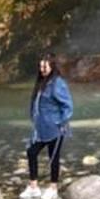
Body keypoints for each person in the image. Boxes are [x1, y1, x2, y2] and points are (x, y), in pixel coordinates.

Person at [26, 53, 72, 192]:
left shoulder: (57, 83)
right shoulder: (42, 82)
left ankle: (53, 188)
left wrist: (60, 122)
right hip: (41, 128)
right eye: (40, 66)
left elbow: (67, 106)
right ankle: (34, 186)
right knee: (31, 152)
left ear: (52, 66)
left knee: (53, 157)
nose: (42, 69)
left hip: (54, 128)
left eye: (45, 66)